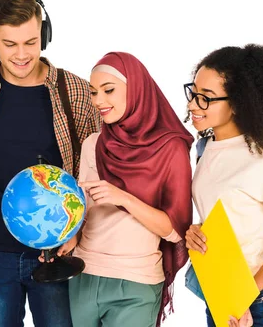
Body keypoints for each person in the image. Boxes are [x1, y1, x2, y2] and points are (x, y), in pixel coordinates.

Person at [0, 0, 100, 327]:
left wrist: (77, 230)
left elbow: (94, 167)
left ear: (44, 35)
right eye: (9, 44)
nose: (21, 55)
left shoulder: (76, 91)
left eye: (31, 42)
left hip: (57, 252)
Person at [54, 52, 194, 327]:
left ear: (137, 89)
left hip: (136, 282)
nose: (99, 101)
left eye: (109, 90)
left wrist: (124, 198)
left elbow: (176, 230)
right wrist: (73, 236)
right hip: (84, 274)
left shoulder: (170, 148)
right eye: (93, 92)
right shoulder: (93, 144)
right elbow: (84, 208)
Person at [183, 44, 263, 327]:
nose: (193, 104)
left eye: (206, 98)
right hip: (220, 291)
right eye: (194, 93)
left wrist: (245, 295)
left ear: (238, 102)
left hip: (260, 301)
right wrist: (197, 232)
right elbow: (226, 213)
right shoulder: (206, 147)